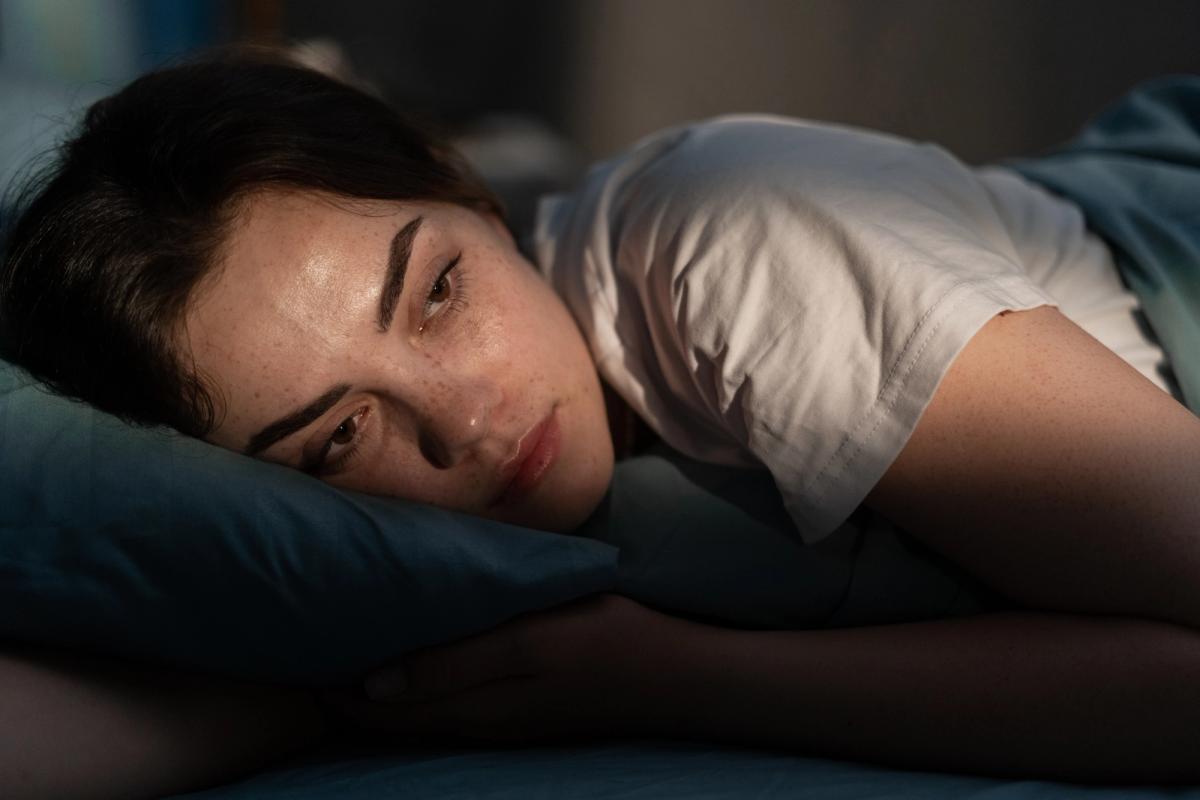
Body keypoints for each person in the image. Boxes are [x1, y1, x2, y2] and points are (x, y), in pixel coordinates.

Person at [3, 49, 1200, 796]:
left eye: (438, 290)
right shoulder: (398, 563)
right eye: (339, 436)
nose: (464, 419)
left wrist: (680, 677)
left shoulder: (735, 243)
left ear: (463, 188)